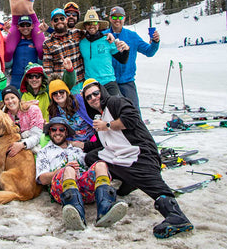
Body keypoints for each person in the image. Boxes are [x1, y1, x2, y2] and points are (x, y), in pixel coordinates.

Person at [80, 79, 193, 238]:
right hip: (120, 153)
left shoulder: (115, 102)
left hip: (139, 151)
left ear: (102, 92)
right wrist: (76, 144)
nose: (93, 98)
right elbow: (100, 143)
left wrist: (107, 125)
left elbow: (131, 119)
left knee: (152, 183)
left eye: (95, 93)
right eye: (88, 97)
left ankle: (176, 216)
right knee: (92, 157)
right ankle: (129, 181)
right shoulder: (99, 116)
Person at [35, 117, 127, 230]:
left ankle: (105, 209)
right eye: (54, 129)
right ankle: (76, 213)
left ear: (66, 132)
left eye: (61, 130)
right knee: (69, 169)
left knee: (101, 164)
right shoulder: (44, 152)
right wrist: (63, 169)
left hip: (84, 188)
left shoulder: (77, 149)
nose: (57, 132)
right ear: (49, 132)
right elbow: (43, 179)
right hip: (62, 191)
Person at [106, 6, 160, 113]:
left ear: (124, 18)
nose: (117, 20)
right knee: (112, 113)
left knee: (133, 113)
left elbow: (149, 52)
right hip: (109, 83)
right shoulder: (104, 36)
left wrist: (155, 42)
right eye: (114, 17)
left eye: (120, 17)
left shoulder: (132, 36)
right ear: (110, 19)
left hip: (127, 82)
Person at [77, 9, 129, 97]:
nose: (91, 26)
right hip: (91, 84)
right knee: (94, 110)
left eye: (94, 23)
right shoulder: (81, 43)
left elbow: (123, 60)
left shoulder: (107, 40)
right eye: (89, 23)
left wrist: (127, 49)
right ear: (85, 26)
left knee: (115, 108)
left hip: (109, 82)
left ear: (99, 24)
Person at [42, 8, 87, 93]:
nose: (59, 21)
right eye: (56, 20)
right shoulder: (48, 43)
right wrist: (54, 85)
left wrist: (108, 35)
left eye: (61, 18)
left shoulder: (77, 33)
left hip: (80, 83)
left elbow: (94, 35)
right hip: (62, 86)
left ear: (66, 20)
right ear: (52, 23)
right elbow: (47, 68)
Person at [1, 85, 44, 155]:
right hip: (13, 144)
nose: (10, 101)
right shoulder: (4, 116)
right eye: (7, 99)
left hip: (34, 143)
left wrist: (22, 144)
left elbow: (37, 135)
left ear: (18, 99)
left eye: (12, 98)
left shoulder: (33, 110)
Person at [47, 79, 94, 143]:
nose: (58, 95)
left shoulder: (78, 100)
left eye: (61, 92)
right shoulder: (53, 111)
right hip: (72, 143)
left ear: (66, 92)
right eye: (55, 93)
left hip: (91, 137)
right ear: (52, 97)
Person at [9, 15, 38, 89]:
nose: (25, 27)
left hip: (32, 77)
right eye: (22, 25)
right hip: (16, 77)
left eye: (27, 25)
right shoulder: (14, 42)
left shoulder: (37, 42)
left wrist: (48, 30)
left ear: (32, 26)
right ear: (18, 27)